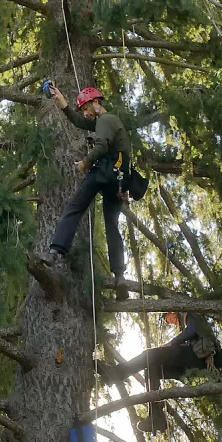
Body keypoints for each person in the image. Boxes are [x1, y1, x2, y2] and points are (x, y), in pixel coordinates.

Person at [42, 82, 130, 295]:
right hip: (117, 179)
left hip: (103, 172)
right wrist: (62, 102)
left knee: (75, 207)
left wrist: (85, 163)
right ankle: (119, 276)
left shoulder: (106, 120)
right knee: (112, 225)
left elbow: (100, 147)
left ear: (96, 103)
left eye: (86, 108)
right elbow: (79, 121)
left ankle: (55, 251)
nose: (86, 114)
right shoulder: (106, 122)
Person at [131, 311, 222, 433]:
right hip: (191, 364)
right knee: (152, 369)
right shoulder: (186, 332)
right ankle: (156, 416)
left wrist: (170, 344)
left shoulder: (191, 315)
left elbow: (191, 330)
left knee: (152, 359)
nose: (170, 322)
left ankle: (156, 416)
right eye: (168, 321)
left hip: (203, 359)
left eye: (169, 318)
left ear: (172, 312)